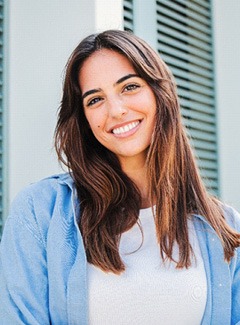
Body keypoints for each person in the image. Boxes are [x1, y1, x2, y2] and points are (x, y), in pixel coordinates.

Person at [0, 29, 240, 325]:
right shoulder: (40, 213)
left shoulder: (226, 228)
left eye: (129, 87)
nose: (116, 110)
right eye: (95, 99)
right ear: (84, 119)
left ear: (160, 93)